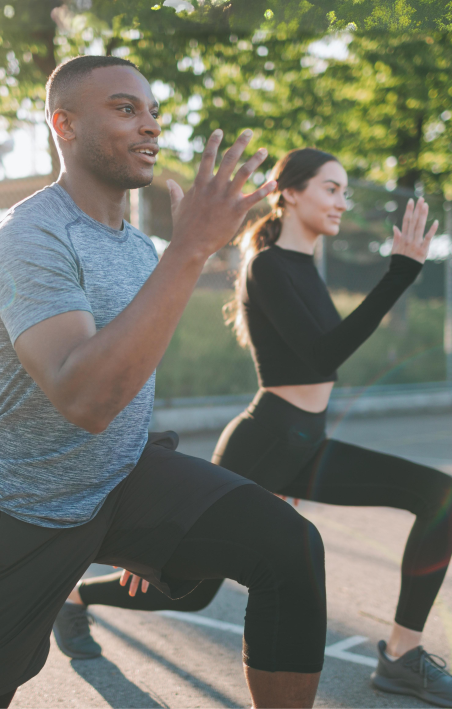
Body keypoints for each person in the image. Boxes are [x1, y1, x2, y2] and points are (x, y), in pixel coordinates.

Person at [0, 56, 333, 709]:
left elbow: (134, 388)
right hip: (26, 507)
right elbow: (85, 399)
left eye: (153, 111)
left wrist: (151, 519)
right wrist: (190, 249)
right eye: (124, 108)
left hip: (123, 480)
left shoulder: (141, 252)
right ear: (64, 124)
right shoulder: (28, 236)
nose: (150, 127)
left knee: (289, 547)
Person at [60, 148, 452, 709]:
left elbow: (325, 359)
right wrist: (400, 275)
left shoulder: (305, 267)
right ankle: (74, 597)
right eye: (331, 189)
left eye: (345, 190)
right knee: (190, 591)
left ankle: (401, 655)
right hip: (265, 442)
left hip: (307, 442)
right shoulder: (267, 266)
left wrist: (399, 276)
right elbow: (324, 356)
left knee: (438, 495)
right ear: (290, 192)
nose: (343, 201)